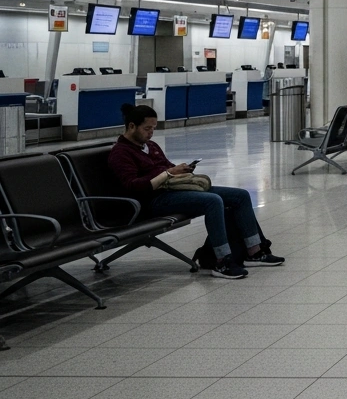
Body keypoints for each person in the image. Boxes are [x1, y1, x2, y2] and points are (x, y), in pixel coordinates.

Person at [108, 104, 281, 280]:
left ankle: (254, 252)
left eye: (153, 128)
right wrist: (167, 174)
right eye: (147, 128)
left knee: (241, 196)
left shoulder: (150, 145)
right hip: (153, 200)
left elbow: (166, 166)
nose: (151, 133)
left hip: (175, 189)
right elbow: (133, 187)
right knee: (213, 201)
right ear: (131, 126)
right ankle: (222, 261)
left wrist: (180, 170)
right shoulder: (121, 153)